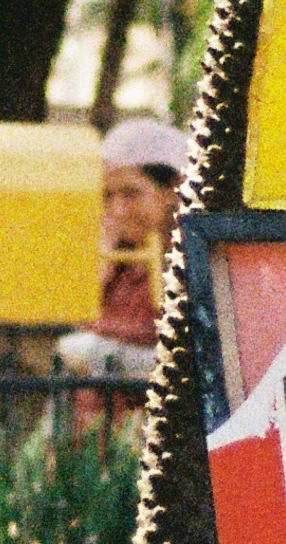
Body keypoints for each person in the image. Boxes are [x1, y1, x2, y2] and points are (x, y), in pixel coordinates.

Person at [55, 112, 190, 390]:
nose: (118, 211)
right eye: (108, 196)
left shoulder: (190, 261)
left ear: (172, 190)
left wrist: (97, 353)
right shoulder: (118, 260)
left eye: (131, 194)